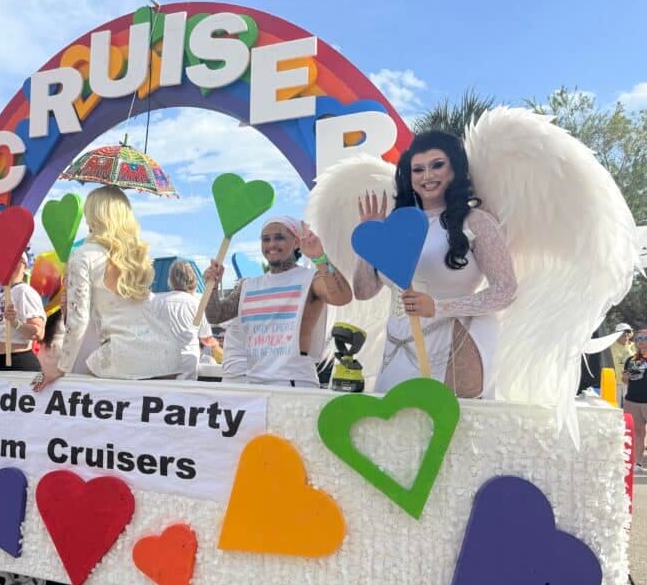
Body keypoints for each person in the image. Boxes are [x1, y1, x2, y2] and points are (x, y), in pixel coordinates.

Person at [352, 131, 518, 397]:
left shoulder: (475, 221)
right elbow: (363, 292)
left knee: (450, 431)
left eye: (437, 165)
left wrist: (439, 307)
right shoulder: (396, 227)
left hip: (456, 344)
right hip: (395, 349)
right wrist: (369, 237)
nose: (427, 176)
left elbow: (506, 289)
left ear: (454, 168)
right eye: (418, 169)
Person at [32, 185, 181, 390]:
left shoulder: (83, 254)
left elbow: (79, 320)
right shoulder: (136, 257)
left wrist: (60, 367)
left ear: (95, 215)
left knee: (85, 408)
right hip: (167, 356)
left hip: (123, 357)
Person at [203, 216, 352, 387]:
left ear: (296, 242)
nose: (271, 244)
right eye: (266, 239)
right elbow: (215, 316)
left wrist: (320, 257)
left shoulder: (311, 279)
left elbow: (342, 297)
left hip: (295, 382)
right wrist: (212, 287)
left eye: (279, 238)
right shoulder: (248, 285)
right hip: (253, 383)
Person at [145, 259, 213, 380]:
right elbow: (206, 339)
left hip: (161, 362)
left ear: (170, 279)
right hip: (188, 362)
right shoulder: (197, 304)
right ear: (192, 279)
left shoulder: (155, 301)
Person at [622, 328, 647, 474]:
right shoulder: (631, 359)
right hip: (633, 401)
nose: (640, 342)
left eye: (644, 339)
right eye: (638, 339)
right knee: (637, 434)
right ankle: (637, 463)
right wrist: (625, 378)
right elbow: (625, 380)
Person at [610, 323, 634, 406]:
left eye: (628, 333)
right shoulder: (609, 346)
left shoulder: (634, 346)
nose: (626, 335)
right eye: (623, 334)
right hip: (613, 384)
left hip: (630, 384)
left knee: (629, 410)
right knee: (613, 409)